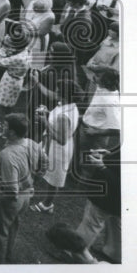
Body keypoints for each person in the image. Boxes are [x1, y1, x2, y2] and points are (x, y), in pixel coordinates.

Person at [0, 113, 46, 264]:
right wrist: (34, 179)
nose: (2, 127)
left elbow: (11, 190)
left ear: (12, 132)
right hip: (25, 197)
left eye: (4, 126)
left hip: (10, 199)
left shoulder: (7, 155)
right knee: (12, 226)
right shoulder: (32, 143)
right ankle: (8, 255)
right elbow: (45, 162)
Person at [30, 76, 79, 215]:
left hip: (59, 149)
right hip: (50, 143)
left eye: (58, 90)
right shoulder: (67, 105)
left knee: (53, 178)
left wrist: (44, 121)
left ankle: (47, 204)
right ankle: (29, 187)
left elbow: (61, 139)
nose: (56, 91)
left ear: (63, 94)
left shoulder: (65, 115)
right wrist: (47, 113)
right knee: (37, 163)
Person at [74, 145, 122, 263]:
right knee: (116, 223)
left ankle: (75, 252)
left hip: (108, 194)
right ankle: (114, 253)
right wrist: (109, 154)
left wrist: (102, 166)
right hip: (121, 199)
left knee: (91, 222)